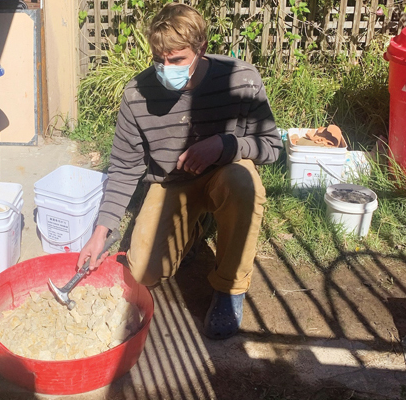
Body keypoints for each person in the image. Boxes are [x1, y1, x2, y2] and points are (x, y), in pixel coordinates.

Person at [77, 3, 282, 340]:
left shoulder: (242, 79)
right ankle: (193, 231)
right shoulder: (136, 95)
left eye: (176, 60)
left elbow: (271, 146)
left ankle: (230, 289)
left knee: (243, 182)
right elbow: (125, 168)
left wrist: (225, 145)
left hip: (224, 173)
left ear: (200, 49)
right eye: (159, 60)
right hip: (171, 182)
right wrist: (100, 233)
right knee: (141, 272)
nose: (165, 68)